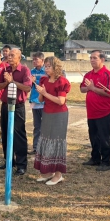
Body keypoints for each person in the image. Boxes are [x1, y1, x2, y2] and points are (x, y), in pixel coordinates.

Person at [34, 56, 71, 185]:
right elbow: (40, 100)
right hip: (47, 113)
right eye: (46, 65)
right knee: (46, 139)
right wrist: (40, 92)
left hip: (59, 115)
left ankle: (58, 174)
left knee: (56, 142)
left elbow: (61, 101)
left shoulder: (62, 81)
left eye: (49, 66)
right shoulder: (44, 79)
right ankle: (48, 171)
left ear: (56, 67)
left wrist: (45, 93)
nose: (46, 68)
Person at [0, 48, 32, 176]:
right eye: (8, 55)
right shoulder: (5, 70)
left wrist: (12, 81)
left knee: (19, 135)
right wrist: (6, 82)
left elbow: (27, 87)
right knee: (5, 134)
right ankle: (9, 161)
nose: (9, 57)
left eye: (12, 55)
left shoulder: (24, 70)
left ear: (19, 57)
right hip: (6, 105)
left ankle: (21, 164)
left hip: (17, 107)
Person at [80, 50, 110, 171]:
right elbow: (82, 89)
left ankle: (106, 161)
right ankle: (95, 158)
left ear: (102, 59)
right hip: (91, 112)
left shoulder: (107, 74)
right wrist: (88, 88)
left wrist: (93, 88)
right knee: (93, 136)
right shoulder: (88, 74)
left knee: (104, 137)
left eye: (95, 58)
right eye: (91, 58)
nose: (92, 60)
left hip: (104, 111)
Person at [28, 51, 46, 155]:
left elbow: (46, 84)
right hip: (35, 101)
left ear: (42, 60)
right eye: (33, 59)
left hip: (44, 102)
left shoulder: (46, 71)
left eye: (36, 59)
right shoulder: (32, 71)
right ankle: (35, 148)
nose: (34, 61)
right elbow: (29, 85)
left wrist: (36, 81)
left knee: (45, 126)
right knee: (37, 126)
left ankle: (43, 148)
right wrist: (30, 81)